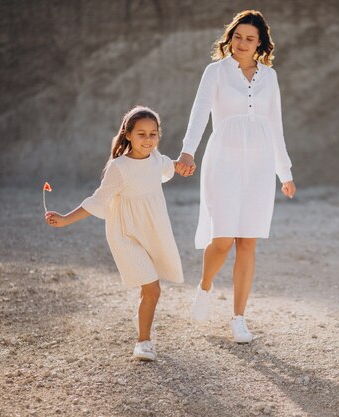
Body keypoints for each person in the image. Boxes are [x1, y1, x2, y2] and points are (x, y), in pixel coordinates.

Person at [175, 10, 296, 343]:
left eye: (250, 39)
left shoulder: (269, 77)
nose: (242, 43)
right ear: (229, 38)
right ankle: (204, 287)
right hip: (223, 160)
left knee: (248, 242)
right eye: (238, 36)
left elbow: (275, 126)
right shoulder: (215, 72)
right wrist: (188, 151)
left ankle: (238, 318)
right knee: (223, 238)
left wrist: (283, 171)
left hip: (258, 165)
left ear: (260, 44)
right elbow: (199, 113)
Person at [45, 105, 184, 361]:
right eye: (141, 134)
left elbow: (171, 166)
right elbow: (98, 200)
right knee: (153, 289)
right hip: (126, 235)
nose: (148, 139)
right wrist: (65, 219)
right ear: (128, 134)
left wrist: (184, 163)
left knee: (148, 290)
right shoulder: (119, 167)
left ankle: (142, 321)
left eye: (153, 134)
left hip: (154, 232)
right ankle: (143, 342)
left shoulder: (156, 160)